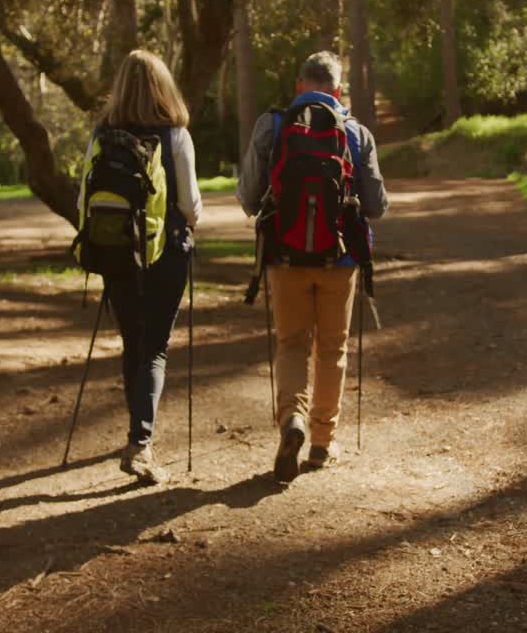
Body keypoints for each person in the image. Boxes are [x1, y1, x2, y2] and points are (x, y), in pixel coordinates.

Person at [237, 51, 389, 484]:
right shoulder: (356, 132)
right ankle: (322, 442)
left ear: (299, 85)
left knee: (291, 344)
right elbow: (376, 207)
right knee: (332, 348)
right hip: (340, 260)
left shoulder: (272, 125)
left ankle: (292, 419)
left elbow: (248, 197)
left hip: (284, 256)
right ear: (339, 90)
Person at [86, 50, 201, 485]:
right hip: (165, 252)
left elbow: (84, 196)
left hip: (114, 251)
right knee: (154, 347)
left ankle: (138, 431)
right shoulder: (176, 137)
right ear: (163, 87)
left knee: (132, 342)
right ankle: (140, 442)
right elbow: (190, 205)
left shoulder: (102, 136)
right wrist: (190, 223)